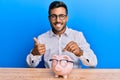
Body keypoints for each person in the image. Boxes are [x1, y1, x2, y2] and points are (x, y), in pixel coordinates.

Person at [26, 1, 97, 68]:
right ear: (49, 18)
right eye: (53, 16)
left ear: (66, 18)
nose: (58, 20)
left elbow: (93, 63)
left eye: (61, 16)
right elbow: (31, 65)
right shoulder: (42, 38)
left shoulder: (77, 35)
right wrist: (34, 53)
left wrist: (80, 53)